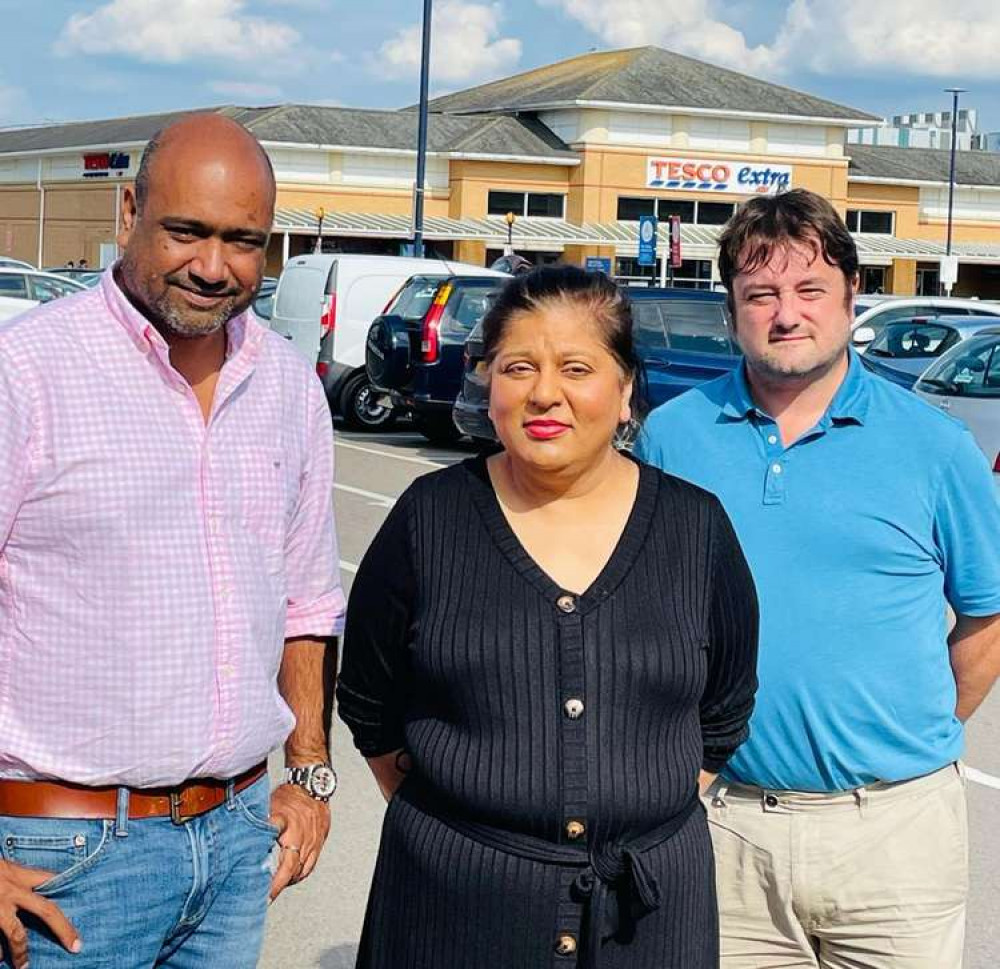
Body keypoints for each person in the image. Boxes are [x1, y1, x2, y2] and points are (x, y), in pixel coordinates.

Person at [338, 266, 759, 968]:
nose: (544, 393)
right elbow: (370, 699)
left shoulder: (696, 528)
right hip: (453, 912)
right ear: (488, 383)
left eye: (575, 367)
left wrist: (631, 807)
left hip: (649, 924)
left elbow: (724, 709)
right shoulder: (429, 519)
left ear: (625, 391)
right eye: (518, 367)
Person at [0, 115, 345, 969]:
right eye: (186, 230)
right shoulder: (27, 372)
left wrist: (308, 771)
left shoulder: (288, 386)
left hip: (234, 846)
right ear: (128, 212)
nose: (213, 266)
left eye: (243, 241)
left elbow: (307, 598)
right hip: (62, 854)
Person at [635, 189, 1000, 968]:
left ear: (851, 296)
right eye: (761, 293)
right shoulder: (673, 437)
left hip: (895, 832)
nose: (786, 313)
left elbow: (987, 615)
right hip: (723, 824)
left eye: (810, 290)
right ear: (732, 304)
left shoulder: (935, 446)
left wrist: (914, 727)